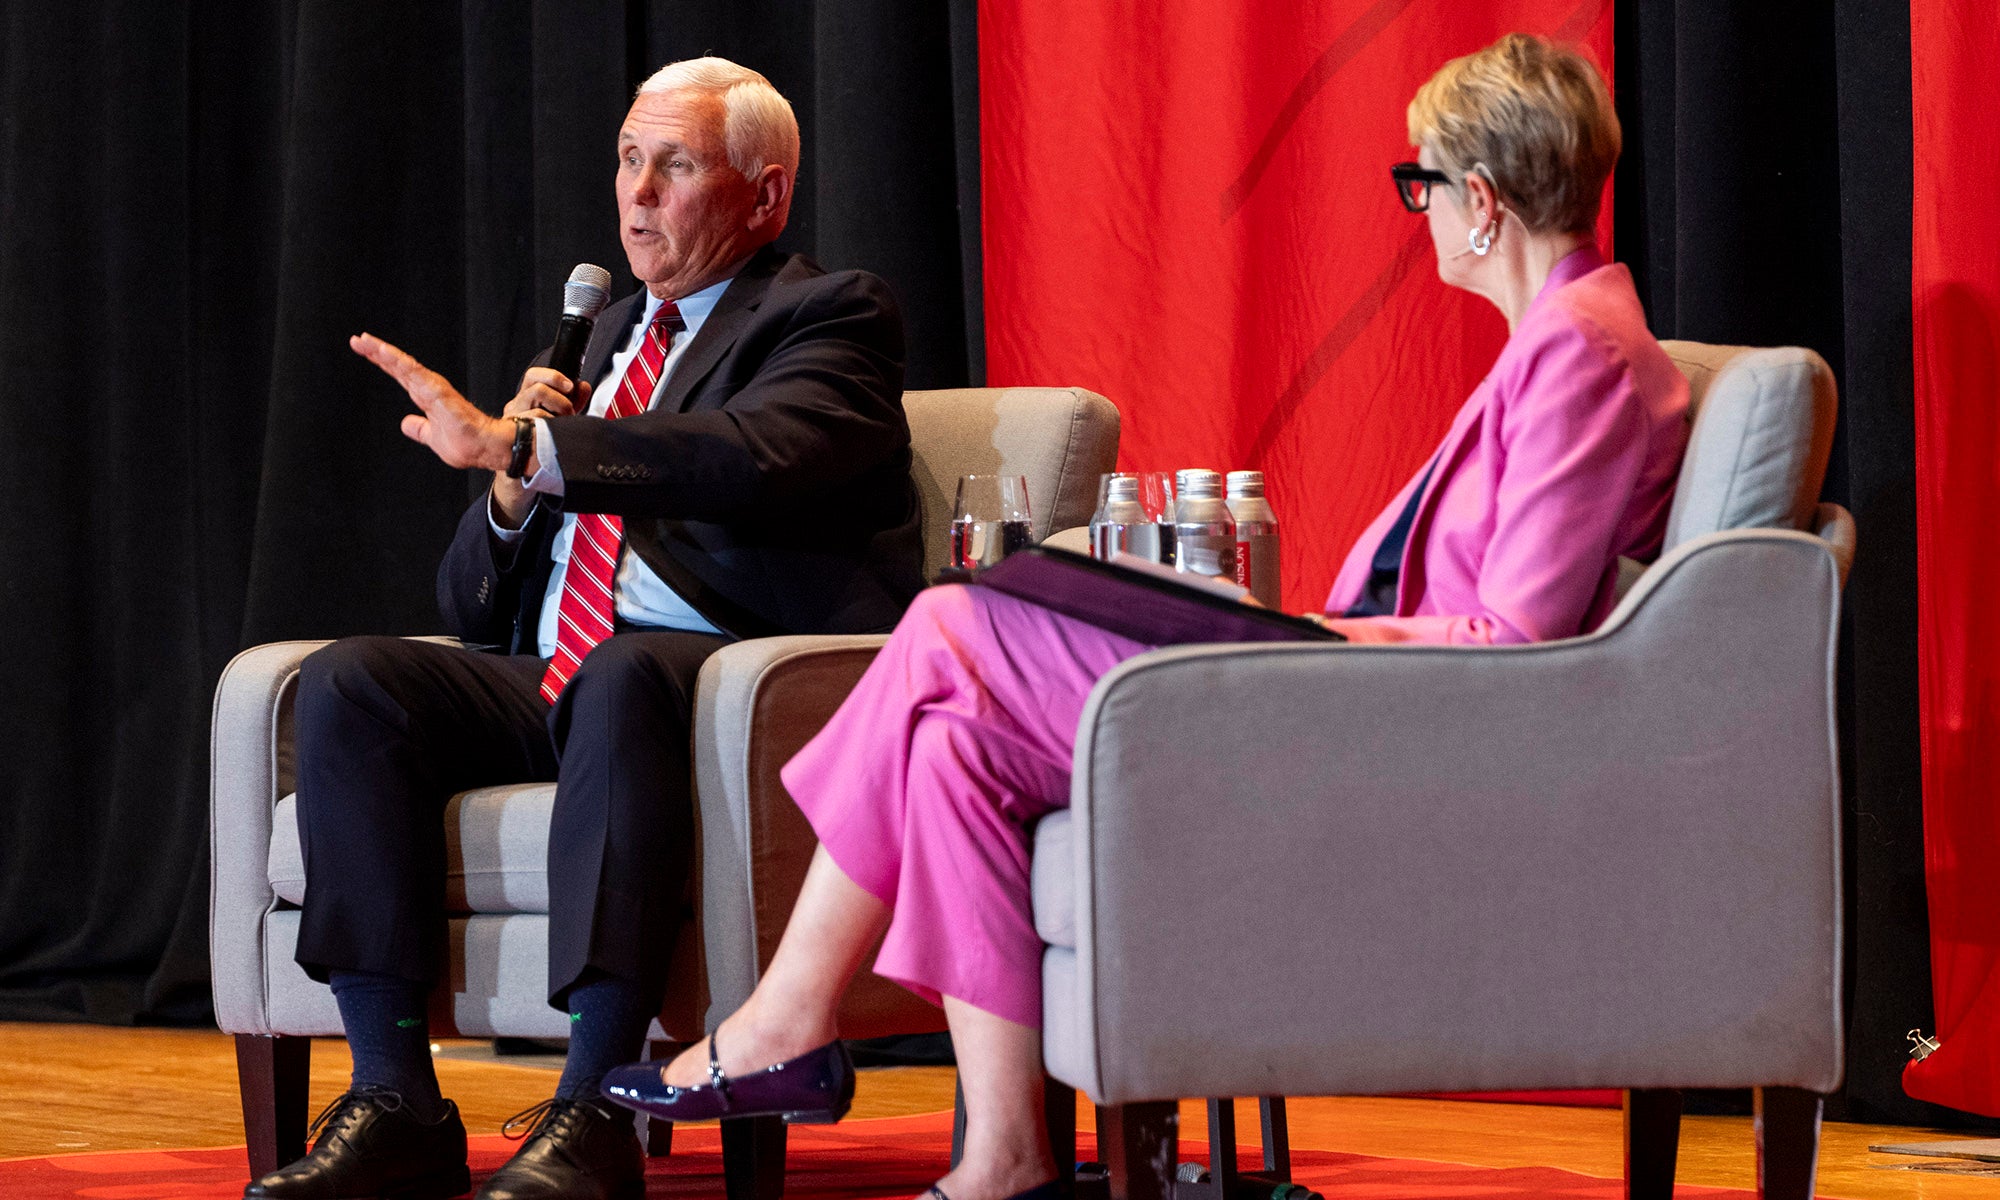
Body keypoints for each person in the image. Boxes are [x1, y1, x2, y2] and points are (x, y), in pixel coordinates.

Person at [597, 33, 1689, 1200]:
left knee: (946, 628)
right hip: (1368, 695)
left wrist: (1311, 644)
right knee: (951, 744)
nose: (1412, 214)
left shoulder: (1580, 353)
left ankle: (790, 1018)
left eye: (1417, 186)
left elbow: (1512, 643)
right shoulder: (1564, 342)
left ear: (1478, 201)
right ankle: (1003, 1158)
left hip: (1395, 722)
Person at [247, 58, 924, 1200]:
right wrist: (514, 491)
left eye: (674, 164)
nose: (636, 194)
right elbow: (467, 608)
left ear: (763, 196)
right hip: (566, 677)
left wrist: (537, 452)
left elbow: (753, 456)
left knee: (620, 673)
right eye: (625, 159)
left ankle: (595, 1108)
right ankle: (395, 1097)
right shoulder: (600, 341)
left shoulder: (829, 315)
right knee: (354, 680)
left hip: (731, 690)